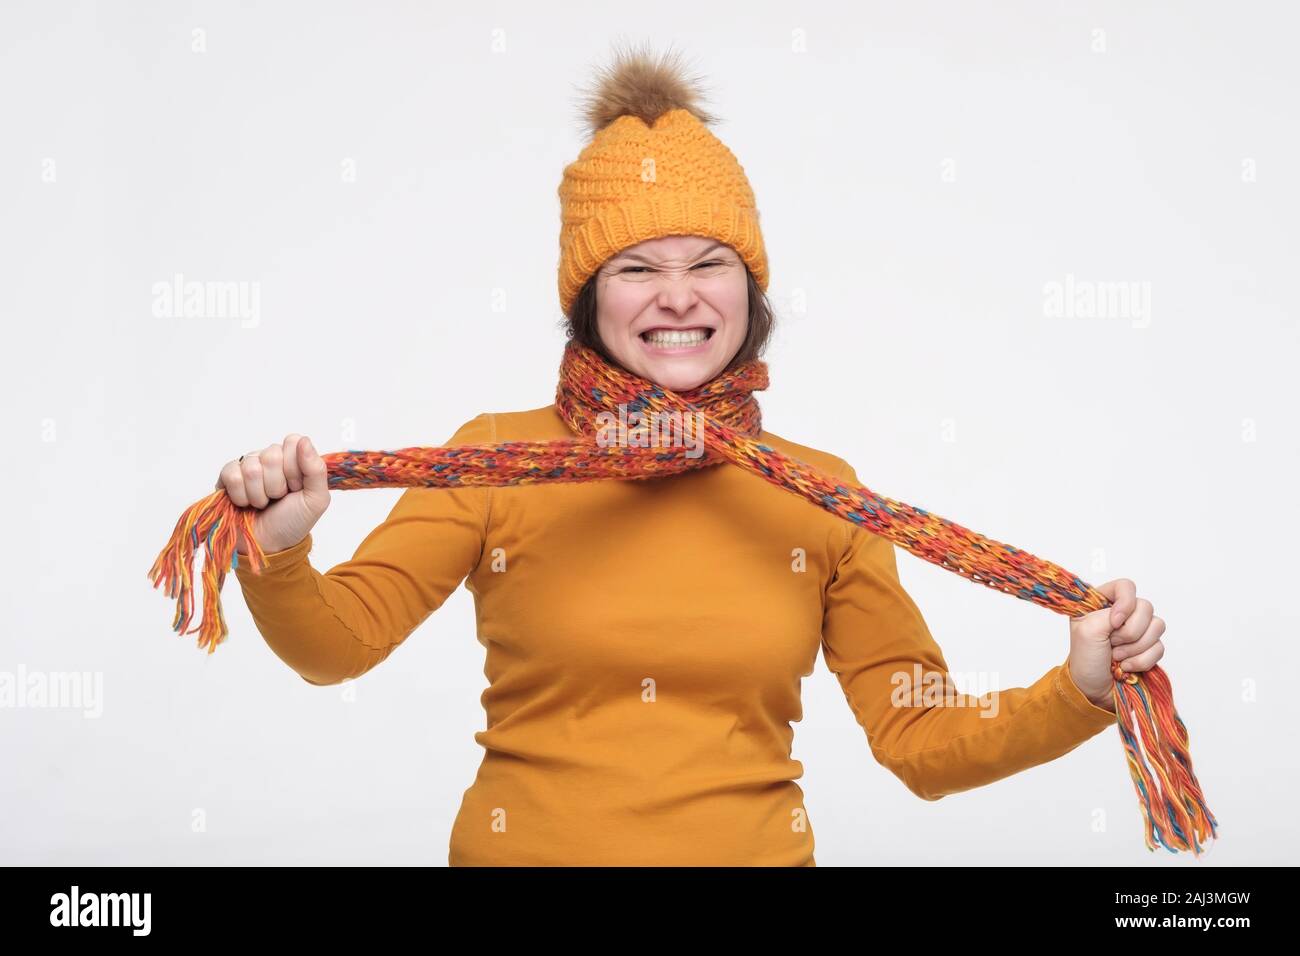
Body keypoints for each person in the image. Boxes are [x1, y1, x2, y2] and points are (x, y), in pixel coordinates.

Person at [219, 44, 1165, 867]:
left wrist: (1076, 688)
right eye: (635, 268)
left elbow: (920, 740)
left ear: (751, 295)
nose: (677, 296)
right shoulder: (495, 460)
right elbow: (334, 650)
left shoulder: (822, 494)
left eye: (709, 262)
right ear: (588, 303)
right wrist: (282, 549)